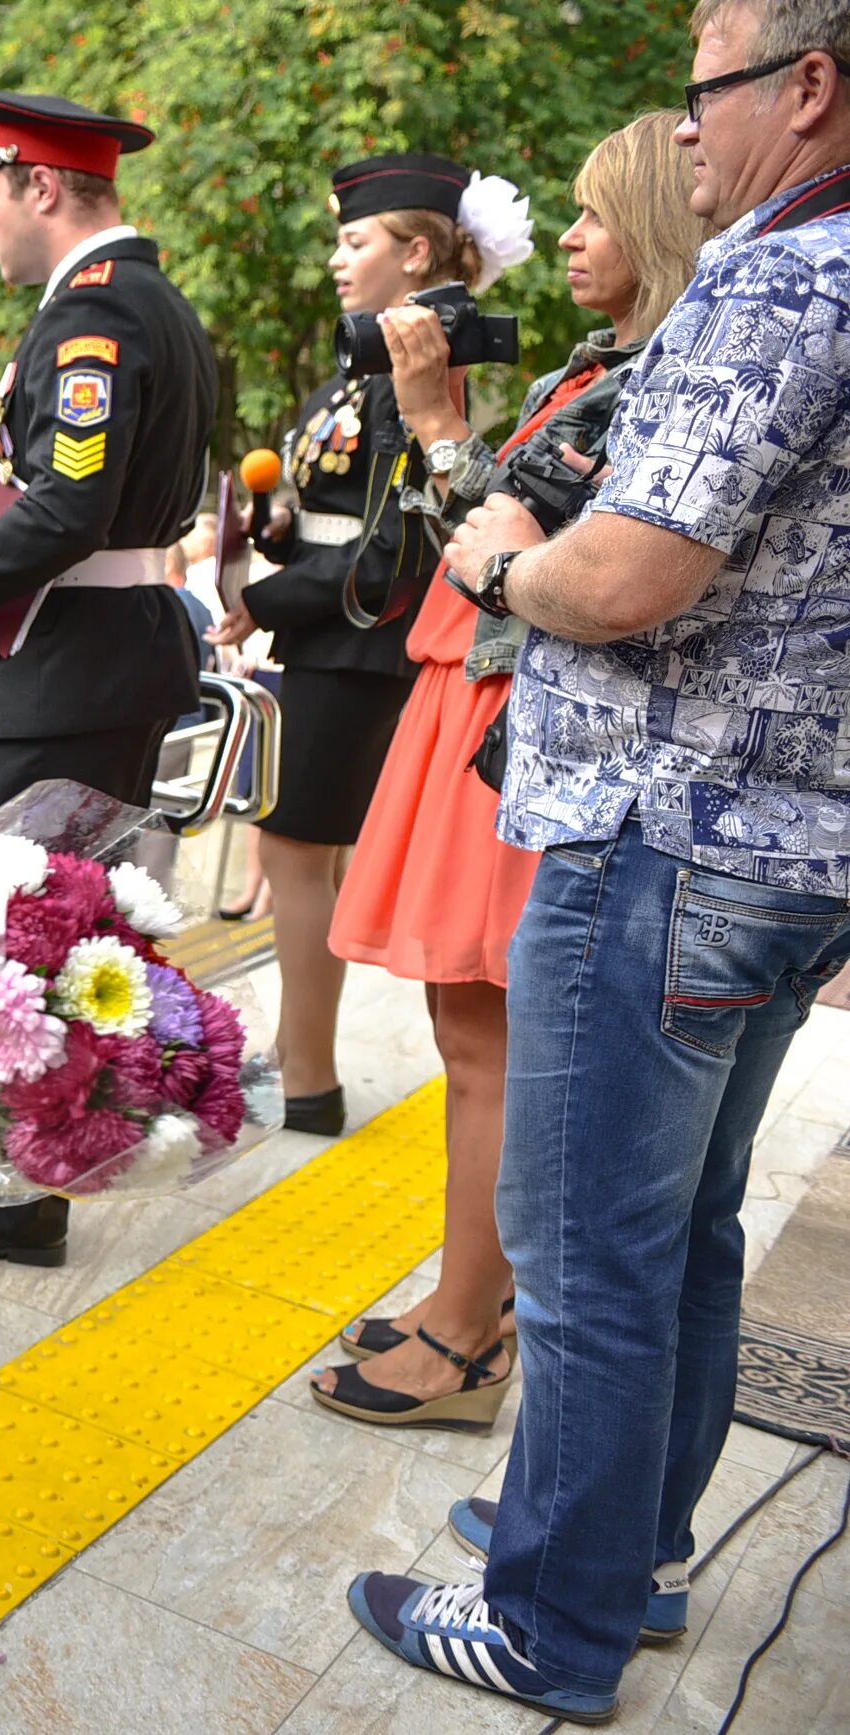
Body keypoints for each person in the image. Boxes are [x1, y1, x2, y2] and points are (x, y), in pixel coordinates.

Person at [347, 9, 850, 1721]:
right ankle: (622, 1555)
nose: (684, 129)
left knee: (581, 1260)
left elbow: (621, 575)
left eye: (707, 83)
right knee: (682, 1232)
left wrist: (497, 561)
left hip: (658, 839)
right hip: (776, 847)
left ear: (804, 87)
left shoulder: (778, 281)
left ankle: (547, 1623)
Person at [314, 111, 705, 1435]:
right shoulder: (603, 363)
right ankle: (456, 1296)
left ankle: (464, 1331)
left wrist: (430, 418)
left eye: (597, 212)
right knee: (463, 1031)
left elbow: (513, 547)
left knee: (484, 1041)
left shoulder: (647, 377)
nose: (570, 236)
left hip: (512, 712)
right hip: (472, 698)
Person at [0, 84, 215, 1266]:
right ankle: (20, 1178)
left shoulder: (94, 315)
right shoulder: (145, 302)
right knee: (56, 924)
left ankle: (4, 1193)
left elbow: (68, 503)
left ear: (39, 185)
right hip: (100, 650)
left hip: (72, 661)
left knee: (1, 927)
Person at [214, 153, 529, 1137]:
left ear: (418, 251)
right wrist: (266, 528)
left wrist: (265, 597)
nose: (337, 259)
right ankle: (294, 1060)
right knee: (303, 849)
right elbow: (340, 514)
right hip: (332, 636)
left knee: (294, 847)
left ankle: (302, 1075)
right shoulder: (377, 359)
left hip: (355, 643)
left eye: (356, 241)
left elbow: (388, 558)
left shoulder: (417, 360)